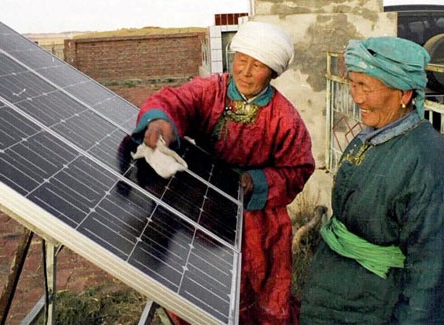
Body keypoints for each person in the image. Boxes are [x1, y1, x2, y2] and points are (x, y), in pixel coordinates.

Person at [132, 21, 315, 324]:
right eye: (242, 59)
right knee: (201, 287)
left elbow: (298, 169)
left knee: (258, 292)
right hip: (204, 206)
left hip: (257, 219)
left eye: (257, 66)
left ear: (273, 72)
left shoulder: (285, 118)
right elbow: (176, 101)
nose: (245, 71)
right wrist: (161, 120)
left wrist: (256, 181)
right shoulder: (210, 91)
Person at [300, 36, 444, 324]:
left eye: (365, 86)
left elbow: (429, 270)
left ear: (404, 94)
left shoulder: (425, 161)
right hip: (335, 295)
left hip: (372, 306)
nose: (356, 97)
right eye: (353, 84)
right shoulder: (374, 134)